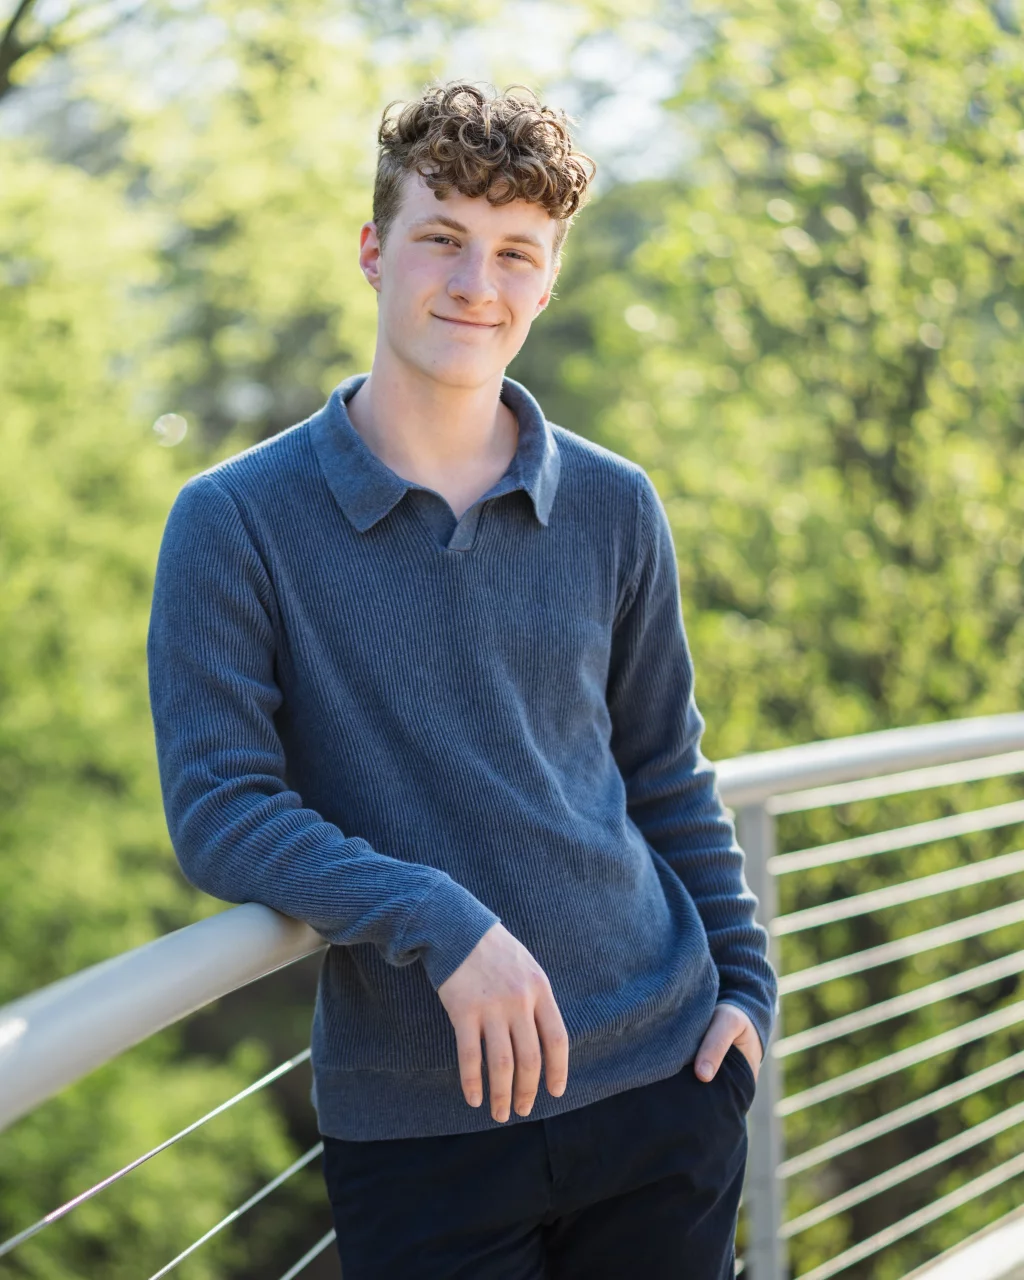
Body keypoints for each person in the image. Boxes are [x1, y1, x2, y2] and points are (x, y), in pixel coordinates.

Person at [147, 80, 779, 1280]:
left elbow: (664, 773)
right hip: (421, 1128)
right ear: (375, 251)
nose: (474, 284)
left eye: (514, 254)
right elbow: (221, 804)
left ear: (547, 283)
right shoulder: (232, 522)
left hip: (665, 1079)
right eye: (441, 238)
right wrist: (437, 915)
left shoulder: (615, 504)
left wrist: (746, 993)